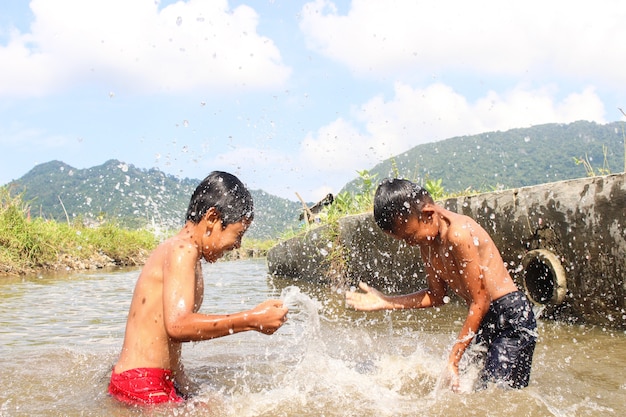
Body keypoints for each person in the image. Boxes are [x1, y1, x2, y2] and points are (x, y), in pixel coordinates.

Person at [108, 171, 289, 406]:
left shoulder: (186, 253)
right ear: (212, 218)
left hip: (151, 381)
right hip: (141, 384)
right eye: (238, 234)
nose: (237, 245)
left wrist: (188, 389)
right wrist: (252, 319)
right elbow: (178, 326)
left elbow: (168, 344)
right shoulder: (182, 250)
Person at [345, 178, 537, 391]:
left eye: (409, 236)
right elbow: (436, 296)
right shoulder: (426, 244)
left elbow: (480, 300)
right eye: (403, 240)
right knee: (469, 390)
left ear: (428, 214)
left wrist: (454, 358)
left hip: (511, 318)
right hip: (484, 320)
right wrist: (386, 301)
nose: (409, 243)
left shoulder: (458, 233)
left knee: (495, 394)